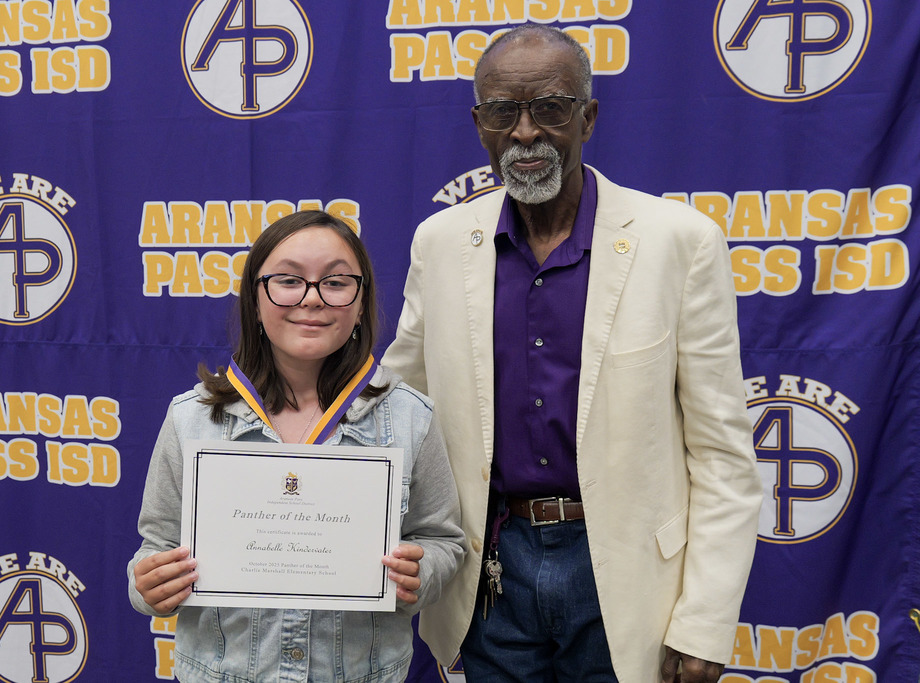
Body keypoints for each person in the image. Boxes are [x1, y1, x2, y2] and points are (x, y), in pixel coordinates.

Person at [382, 24, 763, 683]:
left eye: (550, 108)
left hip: (629, 578)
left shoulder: (680, 242)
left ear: (587, 117)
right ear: (480, 126)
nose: (526, 132)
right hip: (490, 577)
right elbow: (393, 407)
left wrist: (704, 621)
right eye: (505, 111)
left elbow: (724, 456)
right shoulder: (441, 243)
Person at [128, 210, 466, 682]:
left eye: (336, 281)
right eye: (288, 280)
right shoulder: (193, 418)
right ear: (255, 298)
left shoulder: (411, 417)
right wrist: (148, 585)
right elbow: (156, 548)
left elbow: (443, 541)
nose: (312, 299)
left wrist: (421, 571)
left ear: (361, 300)